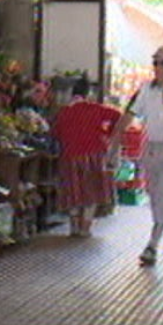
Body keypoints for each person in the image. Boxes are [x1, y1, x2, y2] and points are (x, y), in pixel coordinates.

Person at [111, 46, 163, 266]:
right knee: (156, 198)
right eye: (155, 62)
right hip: (152, 147)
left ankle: (151, 245)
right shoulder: (146, 89)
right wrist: (113, 147)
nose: (158, 67)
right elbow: (127, 117)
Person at [52, 76, 122, 238]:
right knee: (92, 193)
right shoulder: (95, 108)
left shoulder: (63, 112)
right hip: (94, 155)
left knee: (73, 193)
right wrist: (107, 134)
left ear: (71, 94)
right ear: (88, 93)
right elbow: (118, 116)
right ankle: (85, 228)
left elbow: (55, 133)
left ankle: (74, 228)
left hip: (69, 157)